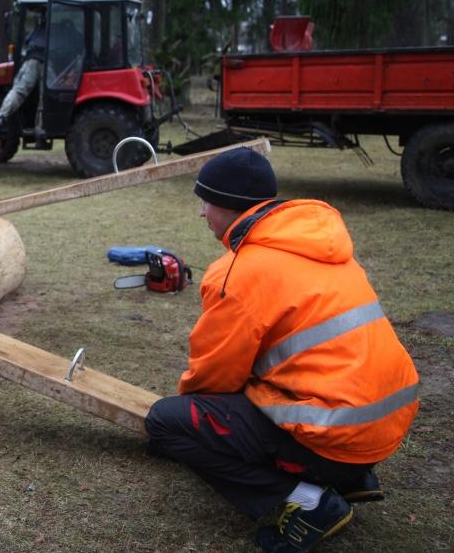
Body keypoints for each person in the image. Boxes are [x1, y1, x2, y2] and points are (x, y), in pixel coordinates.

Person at [144, 147, 419, 553]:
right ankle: (351, 478)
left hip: (337, 436)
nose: (202, 213)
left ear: (229, 205)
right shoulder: (322, 246)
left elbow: (214, 377)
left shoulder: (239, 270)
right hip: (385, 426)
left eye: (206, 201)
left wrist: (197, 425)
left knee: (167, 422)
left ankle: (310, 501)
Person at [0, 14, 46, 137]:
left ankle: (1, 116)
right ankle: (40, 126)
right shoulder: (55, 31)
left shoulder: (37, 32)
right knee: (44, 96)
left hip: (32, 62)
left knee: (18, 90)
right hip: (44, 63)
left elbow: (26, 44)